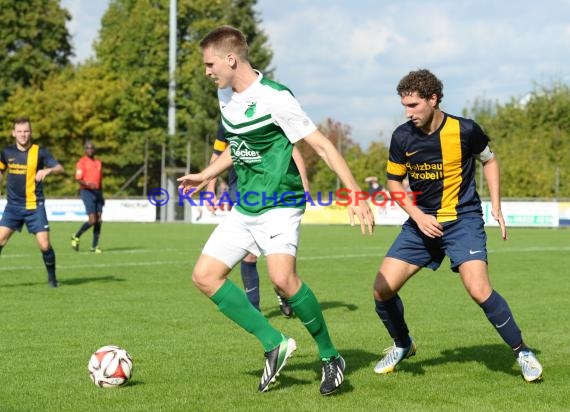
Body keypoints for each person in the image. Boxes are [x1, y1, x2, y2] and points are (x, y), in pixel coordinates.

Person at [178, 25, 374, 395]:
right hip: (247, 205)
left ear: (230, 59)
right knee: (205, 276)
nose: (206, 71)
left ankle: (331, 356)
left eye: (209, 64)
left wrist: (355, 192)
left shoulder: (276, 97)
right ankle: (275, 343)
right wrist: (207, 173)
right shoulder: (226, 97)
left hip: (281, 203)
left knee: (283, 280)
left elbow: (321, 146)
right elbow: (236, 147)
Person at [372, 69, 543, 383]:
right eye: (404, 106)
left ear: (433, 99)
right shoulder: (401, 136)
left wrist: (498, 207)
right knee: (382, 290)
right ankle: (403, 345)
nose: (407, 113)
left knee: (478, 289)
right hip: (420, 224)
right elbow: (394, 183)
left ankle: (522, 352)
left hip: (462, 220)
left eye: (413, 105)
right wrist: (418, 216)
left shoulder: (465, 130)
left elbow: (489, 160)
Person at [205, 124, 310, 316]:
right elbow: (218, 154)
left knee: (276, 257)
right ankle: (254, 308)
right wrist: (210, 188)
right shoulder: (226, 119)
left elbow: (291, 149)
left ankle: (283, 290)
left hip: (273, 189)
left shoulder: (268, 112)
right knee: (249, 254)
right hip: (242, 187)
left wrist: (304, 182)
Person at [0, 117, 64, 288]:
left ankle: (52, 279)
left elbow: (60, 168)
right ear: (14, 133)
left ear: (31, 132)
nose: (23, 134)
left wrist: (47, 170)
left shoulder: (40, 152)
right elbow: (1, 171)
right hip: (13, 206)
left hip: (35, 206)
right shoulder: (6, 152)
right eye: (19, 131)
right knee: (0, 240)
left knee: (44, 245)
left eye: (26, 131)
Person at [71, 141, 104, 253]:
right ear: (85, 150)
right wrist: (88, 184)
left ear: (94, 150)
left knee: (99, 220)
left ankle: (94, 246)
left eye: (92, 148)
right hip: (87, 192)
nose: (90, 150)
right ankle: (76, 235)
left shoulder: (99, 163)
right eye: (87, 148)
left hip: (98, 193)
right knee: (92, 220)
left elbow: (100, 181)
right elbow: (78, 178)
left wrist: (102, 195)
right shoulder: (81, 162)